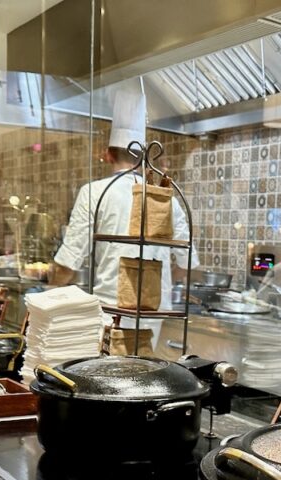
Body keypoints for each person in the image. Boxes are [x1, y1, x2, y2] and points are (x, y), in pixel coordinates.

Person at [50, 82, 196, 320]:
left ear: (107, 154)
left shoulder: (94, 192)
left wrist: (50, 294)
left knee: (111, 359)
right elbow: (186, 263)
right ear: (145, 155)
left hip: (110, 309)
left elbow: (69, 260)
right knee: (148, 359)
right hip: (155, 312)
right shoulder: (165, 198)